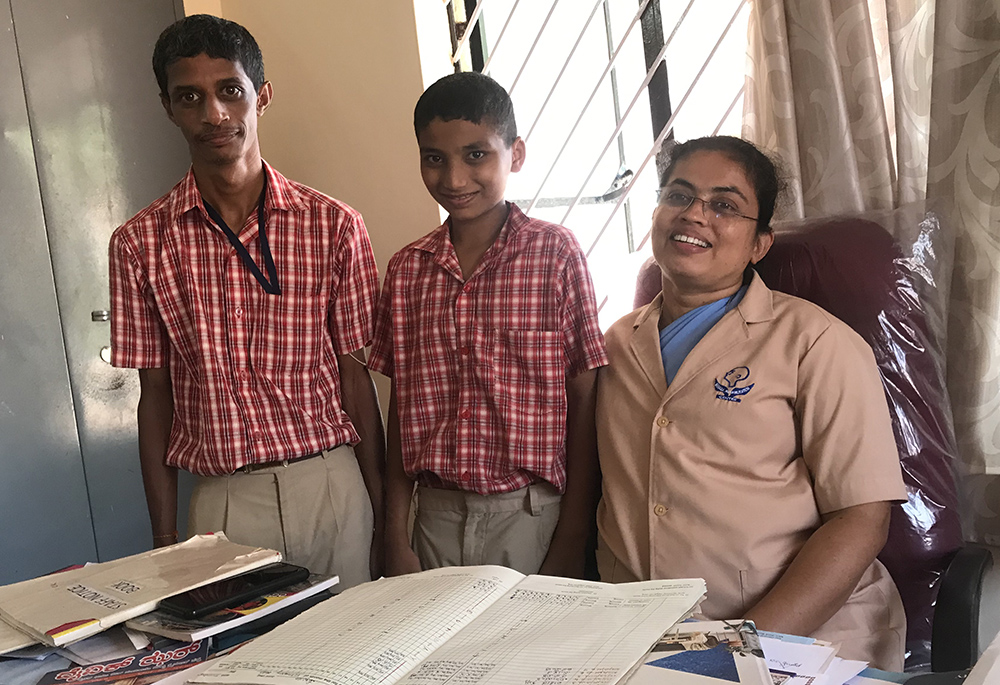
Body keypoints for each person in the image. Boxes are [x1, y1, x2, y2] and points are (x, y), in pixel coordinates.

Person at [595, 136, 907, 670]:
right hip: (643, 637)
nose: (694, 214)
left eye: (724, 205)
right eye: (678, 195)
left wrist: (740, 647)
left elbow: (861, 518)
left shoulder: (815, 343)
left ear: (759, 243)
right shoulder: (613, 344)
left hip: (800, 634)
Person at [108, 15, 384, 589]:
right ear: (168, 106)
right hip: (224, 504)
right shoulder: (139, 243)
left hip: (330, 484)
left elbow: (357, 381)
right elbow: (153, 398)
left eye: (229, 91)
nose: (214, 115)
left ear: (261, 95)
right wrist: (163, 544)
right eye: (191, 97)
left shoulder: (334, 227)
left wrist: (382, 516)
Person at [370, 72, 608, 578]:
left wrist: (573, 535)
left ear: (515, 154)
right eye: (435, 158)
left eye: (476, 154)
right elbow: (403, 406)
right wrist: (394, 532)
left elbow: (586, 398)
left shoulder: (555, 254)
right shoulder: (406, 269)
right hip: (433, 517)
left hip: (532, 515)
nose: (454, 179)